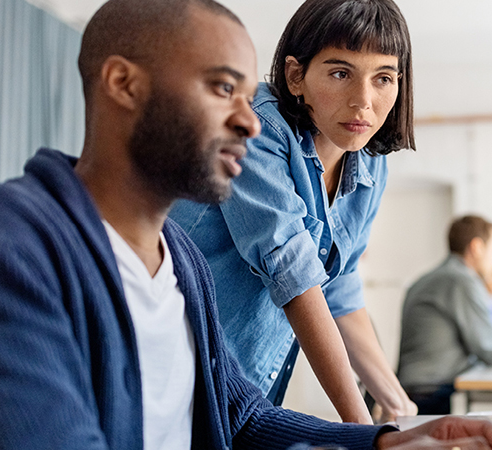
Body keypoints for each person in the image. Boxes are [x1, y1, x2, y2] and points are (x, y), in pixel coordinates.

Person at [0, 1, 492, 449]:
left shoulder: (181, 261)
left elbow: (242, 418)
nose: (251, 123)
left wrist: (387, 441)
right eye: (224, 88)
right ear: (124, 84)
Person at [170, 0, 416, 424]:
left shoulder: (371, 162)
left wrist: (398, 406)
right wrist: (365, 432)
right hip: (175, 378)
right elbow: (294, 274)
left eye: (384, 78)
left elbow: (339, 290)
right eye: (341, 73)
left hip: (244, 397)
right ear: (296, 76)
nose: (364, 101)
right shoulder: (256, 129)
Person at [397, 215, 492, 415]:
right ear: (477, 247)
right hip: (431, 393)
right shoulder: (461, 280)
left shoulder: (433, 277)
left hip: (415, 389)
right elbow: (490, 351)